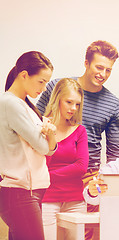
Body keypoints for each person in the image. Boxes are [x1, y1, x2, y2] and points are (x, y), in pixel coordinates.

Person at [36, 40, 119, 240]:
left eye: (108, 70)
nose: (103, 74)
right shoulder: (58, 87)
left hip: (87, 180)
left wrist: (104, 188)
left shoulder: (113, 103)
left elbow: (114, 152)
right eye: (99, 67)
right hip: (49, 177)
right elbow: (36, 123)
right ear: (86, 63)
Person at [0, 51, 57, 240]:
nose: (43, 88)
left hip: (28, 192)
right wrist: (47, 136)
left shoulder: (26, 106)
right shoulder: (10, 103)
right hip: (19, 193)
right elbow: (43, 148)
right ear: (24, 75)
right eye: (41, 81)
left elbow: (49, 148)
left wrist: (48, 137)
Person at [41, 78, 89, 240]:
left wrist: (48, 176)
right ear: (57, 99)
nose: (73, 108)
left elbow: (82, 166)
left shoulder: (80, 131)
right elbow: (40, 164)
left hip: (75, 200)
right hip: (47, 199)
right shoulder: (41, 127)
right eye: (69, 102)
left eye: (77, 104)